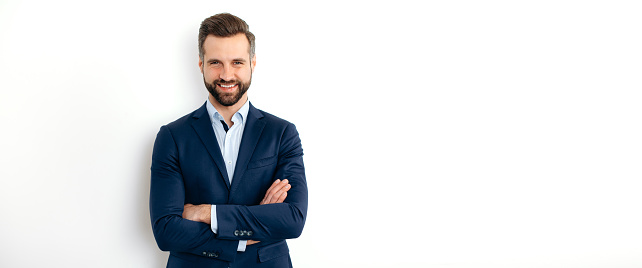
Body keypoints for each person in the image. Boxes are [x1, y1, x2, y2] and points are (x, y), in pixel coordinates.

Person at [150, 13, 307, 268]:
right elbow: (166, 231)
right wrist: (252, 230)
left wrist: (205, 213)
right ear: (200, 64)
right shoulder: (172, 137)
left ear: (252, 63)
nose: (226, 75)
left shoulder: (282, 134)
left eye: (237, 62)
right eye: (215, 63)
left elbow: (292, 219)